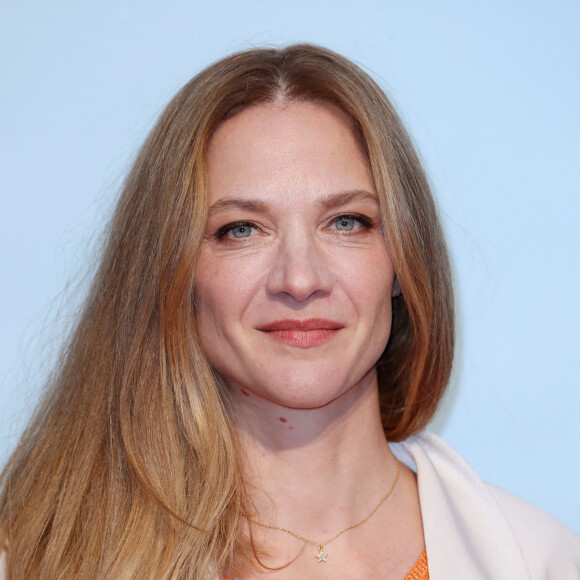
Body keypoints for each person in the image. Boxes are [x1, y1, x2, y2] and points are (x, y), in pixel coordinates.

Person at [0, 44, 578, 580]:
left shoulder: (540, 561)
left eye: (347, 222)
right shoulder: (33, 556)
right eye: (241, 229)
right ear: (173, 274)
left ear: (402, 261)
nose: (299, 280)